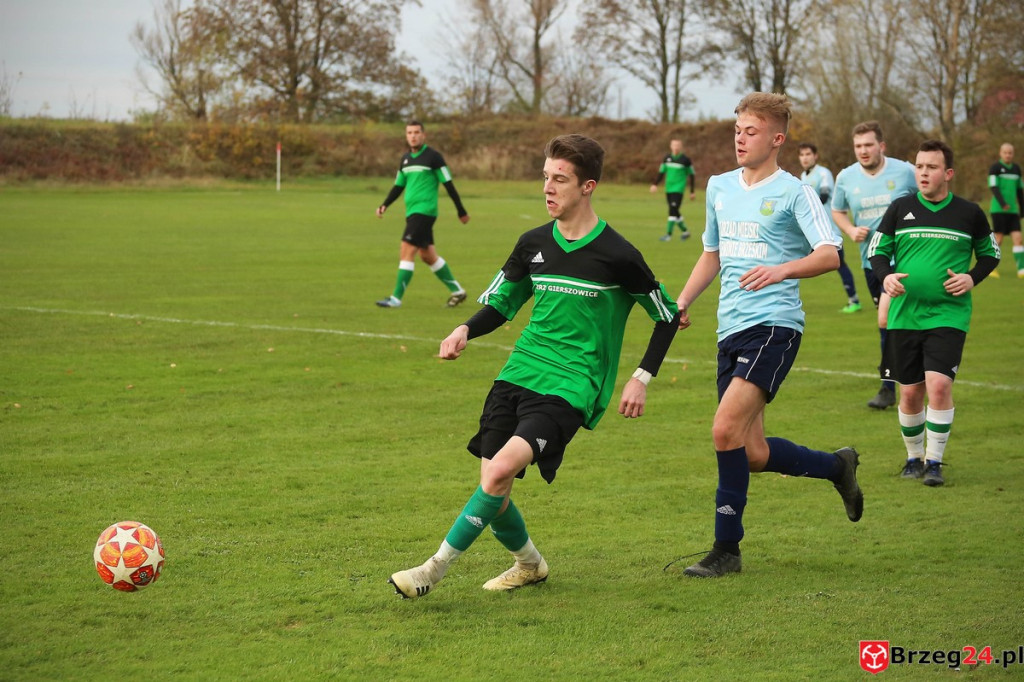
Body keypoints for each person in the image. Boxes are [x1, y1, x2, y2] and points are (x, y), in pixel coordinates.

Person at [388, 134, 680, 599]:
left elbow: (667, 317)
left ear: (588, 186)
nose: (548, 188)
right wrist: (465, 329)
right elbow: (502, 305)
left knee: (500, 471)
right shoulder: (532, 244)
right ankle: (530, 565)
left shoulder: (618, 255)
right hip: (518, 372)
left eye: (559, 179)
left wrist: (640, 378)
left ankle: (432, 569)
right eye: (545, 177)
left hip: (570, 385)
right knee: (492, 485)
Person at [673, 93, 863, 578]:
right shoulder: (718, 187)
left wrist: (781, 271)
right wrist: (683, 300)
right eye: (737, 129)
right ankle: (837, 467)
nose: (740, 137)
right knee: (751, 452)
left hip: (775, 326)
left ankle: (726, 551)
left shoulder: (796, 192)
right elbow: (712, 253)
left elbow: (829, 254)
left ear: (777, 139)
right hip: (729, 328)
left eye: (751, 131)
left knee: (722, 430)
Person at [869, 140, 999, 487]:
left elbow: (990, 254)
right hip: (905, 314)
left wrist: (972, 277)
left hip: (949, 313)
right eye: (919, 166)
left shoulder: (969, 212)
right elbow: (877, 251)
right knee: (910, 392)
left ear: (948, 174)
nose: (923, 173)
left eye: (931, 167)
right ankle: (913, 458)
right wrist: (887, 276)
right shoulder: (900, 209)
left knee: (939, 385)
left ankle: (935, 462)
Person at [831, 121, 917, 409]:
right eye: (858, 146)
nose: (863, 151)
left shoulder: (905, 171)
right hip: (872, 262)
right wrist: (850, 230)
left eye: (868, 145)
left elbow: (929, 199)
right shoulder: (845, 177)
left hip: (908, 259)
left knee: (889, 320)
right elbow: (837, 210)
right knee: (890, 324)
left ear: (882, 146)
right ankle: (904, 382)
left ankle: (889, 387)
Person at [374, 120, 471, 308]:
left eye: (416, 132)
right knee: (427, 255)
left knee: (407, 249)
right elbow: (398, 185)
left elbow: (448, 184)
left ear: (423, 135)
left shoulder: (433, 157)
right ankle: (458, 291)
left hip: (425, 211)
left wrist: (461, 210)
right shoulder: (405, 159)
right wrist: (384, 204)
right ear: (406, 135)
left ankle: (395, 298)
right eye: (409, 132)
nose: (413, 136)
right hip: (411, 212)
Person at [798, 142, 862, 313]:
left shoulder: (823, 173)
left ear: (815, 156)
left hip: (828, 231)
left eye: (808, 154)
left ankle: (854, 301)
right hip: (811, 233)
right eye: (802, 155)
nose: (805, 158)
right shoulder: (803, 176)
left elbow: (825, 196)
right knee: (793, 262)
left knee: (840, 264)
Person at [987, 142, 1024, 278]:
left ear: (1013, 154)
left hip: (1012, 211)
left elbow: (1020, 190)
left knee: (1018, 239)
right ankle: (990, 268)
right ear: (1000, 153)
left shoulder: (1016, 169)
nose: (1008, 155)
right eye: (1005, 152)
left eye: (1010, 153)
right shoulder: (995, 168)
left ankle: (1021, 270)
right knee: (999, 239)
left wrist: (1022, 208)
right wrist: (1002, 203)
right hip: (998, 209)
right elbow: (993, 187)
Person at [650, 138, 697, 241]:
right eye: (674, 145)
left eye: (678, 145)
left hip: (679, 189)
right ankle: (685, 231)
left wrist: (692, 191)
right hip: (668, 188)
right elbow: (661, 173)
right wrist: (655, 184)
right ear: (670, 146)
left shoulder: (685, 160)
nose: (675, 147)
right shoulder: (667, 158)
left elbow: (692, 175)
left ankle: (668, 235)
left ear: (681, 147)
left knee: (672, 210)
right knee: (674, 210)